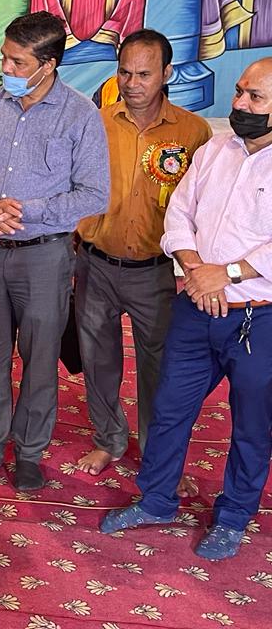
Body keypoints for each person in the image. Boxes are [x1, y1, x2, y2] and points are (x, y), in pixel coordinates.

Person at [101, 58, 272, 561]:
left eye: (255, 97)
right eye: (239, 92)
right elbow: (178, 215)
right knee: (169, 409)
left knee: (252, 427)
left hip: (258, 317)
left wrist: (230, 273)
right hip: (196, 308)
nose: (239, 104)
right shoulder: (216, 149)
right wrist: (198, 270)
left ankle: (233, 517)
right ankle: (156, 500)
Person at [0, 11, 109, 491]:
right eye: (4, 59)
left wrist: (24, 211)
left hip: (45, 256)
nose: (7, 70)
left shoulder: (79, 115)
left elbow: (95, 194)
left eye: (18, 63)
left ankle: (30, 452)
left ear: (48, 64)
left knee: (40, 359)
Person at [74, 29, 212, 477]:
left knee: (160, 367)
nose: (132, 84)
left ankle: (157, 452)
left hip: (154, 272)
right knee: (98, 360)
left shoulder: (194, 132)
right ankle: (108, 440)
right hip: (95, 264)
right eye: (125, 73)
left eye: (144, 74)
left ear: (167, 73)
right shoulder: (96, 122)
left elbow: (203, 205)